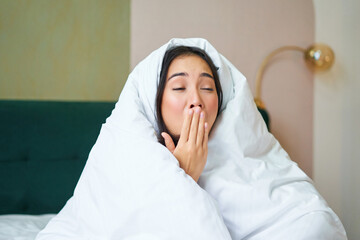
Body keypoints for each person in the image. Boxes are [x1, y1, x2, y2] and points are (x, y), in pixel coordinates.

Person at [37, 38, 347, 240]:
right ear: (155, 100)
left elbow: (309, 220)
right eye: (179, 87)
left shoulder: (243, 152)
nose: (195, 100)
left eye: (208, 88)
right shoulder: (126, 152)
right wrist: (181, 178)